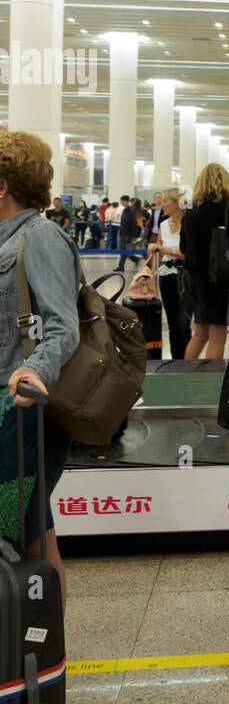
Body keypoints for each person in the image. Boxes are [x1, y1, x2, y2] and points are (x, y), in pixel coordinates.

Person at [0, 132, 82, 610]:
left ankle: (41, 650)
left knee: (27, 529)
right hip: (10, 412)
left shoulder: (41, 236)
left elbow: (61, 326)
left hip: (24, 409)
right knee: (33, 525)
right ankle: (37, 654)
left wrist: (33, 373)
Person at [180, 165, 229, 361]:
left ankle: (185, 378)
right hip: (219, 278)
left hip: (196, 278)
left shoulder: (190, 212)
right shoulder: (227, 209)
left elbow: (184, 247)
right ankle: (210, 383)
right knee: (218, 336)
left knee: (200, 334)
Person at [148, 188, 190, 361]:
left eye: (165, 201)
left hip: (185, 276)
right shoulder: (163, 224)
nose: (161, 204)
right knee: (173, 323)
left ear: (177, 203)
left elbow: (191, 254)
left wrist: (166, 250)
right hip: (167, 276)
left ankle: (187, 360)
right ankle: (176, 360)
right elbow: (159, 254)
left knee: (184, 322)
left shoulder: (189, 224)